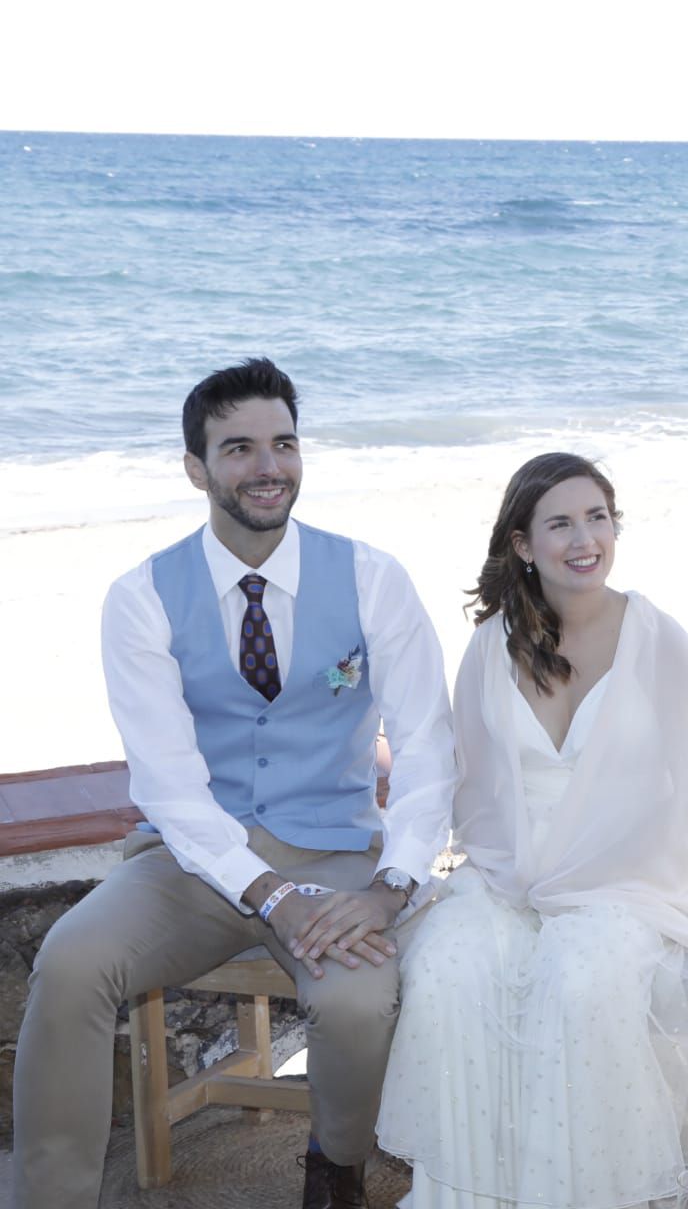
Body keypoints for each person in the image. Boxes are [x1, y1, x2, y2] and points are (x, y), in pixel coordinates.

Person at [14, 358, 457, 1209]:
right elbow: (170, 787)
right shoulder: (140, 596)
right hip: (198, 861)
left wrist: (394, 885)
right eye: (240, 447)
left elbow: (429, 744)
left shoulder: (372, 577)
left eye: (284, 444)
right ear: (197, 468)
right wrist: (268, 895)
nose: (268, 467)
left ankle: (335, 1171)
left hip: (334, 854)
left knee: (359, 1002)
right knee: (71, 961)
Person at [378, 452, 688, 1208]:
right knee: (446, 970)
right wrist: (515, 878)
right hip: (511, 878)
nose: (585, 538)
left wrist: (618, 878)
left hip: (625, 879)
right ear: (523, 545)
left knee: (578, 982)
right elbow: (471, 785)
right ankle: (471, 1195)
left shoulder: (658, 638)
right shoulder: (489, 646)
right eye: (560, 522)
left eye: (598, 518)